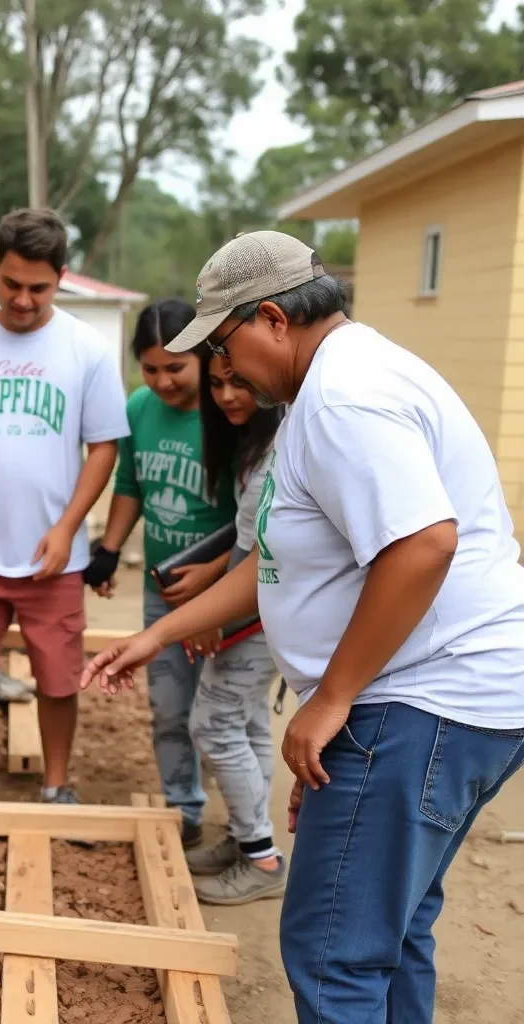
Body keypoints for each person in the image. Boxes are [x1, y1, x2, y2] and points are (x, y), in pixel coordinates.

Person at [80, 230, 524, 1024]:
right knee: (390, 932)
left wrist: (332, 700)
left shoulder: (347, 399)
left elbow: (423, 545)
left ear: (275, 319)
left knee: (333, 952)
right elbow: (277, 561)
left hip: (420, 700)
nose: (224, 370)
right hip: (441, 704)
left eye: (225, 344)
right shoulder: (334, 385)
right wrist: (156, 635)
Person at [0, 207, 129, 803]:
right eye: (11, 283)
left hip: (53, 557)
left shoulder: (86, 349)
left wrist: (70, 528)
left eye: (37, 287)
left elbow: (104, 447)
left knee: (59, 679)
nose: (22, 299)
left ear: (61, 278)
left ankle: (56, 783)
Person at [83, 299, 237, 847]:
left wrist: (216, 579)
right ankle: (185, 808)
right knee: (169, 707)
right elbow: (131, 485)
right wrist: (108, 548)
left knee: (223, 714)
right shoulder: (139, 408)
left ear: (201, 357)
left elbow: (254, 515)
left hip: (226, 591)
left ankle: (246, 823)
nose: (163, 381)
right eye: (150, 369)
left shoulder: (229, 410)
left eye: (176, 367)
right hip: (163, 587)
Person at [182, 344, 286, 904]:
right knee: (246, 725)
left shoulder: (275, 455)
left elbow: (255, 560)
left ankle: (263, 860)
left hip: (262, 615)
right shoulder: (257, 443)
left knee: (214, 724)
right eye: (217, 384)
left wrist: (211, 615)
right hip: (266, 611)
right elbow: (246, 546)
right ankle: (249, 840)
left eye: (238, 382)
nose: (226, 396)